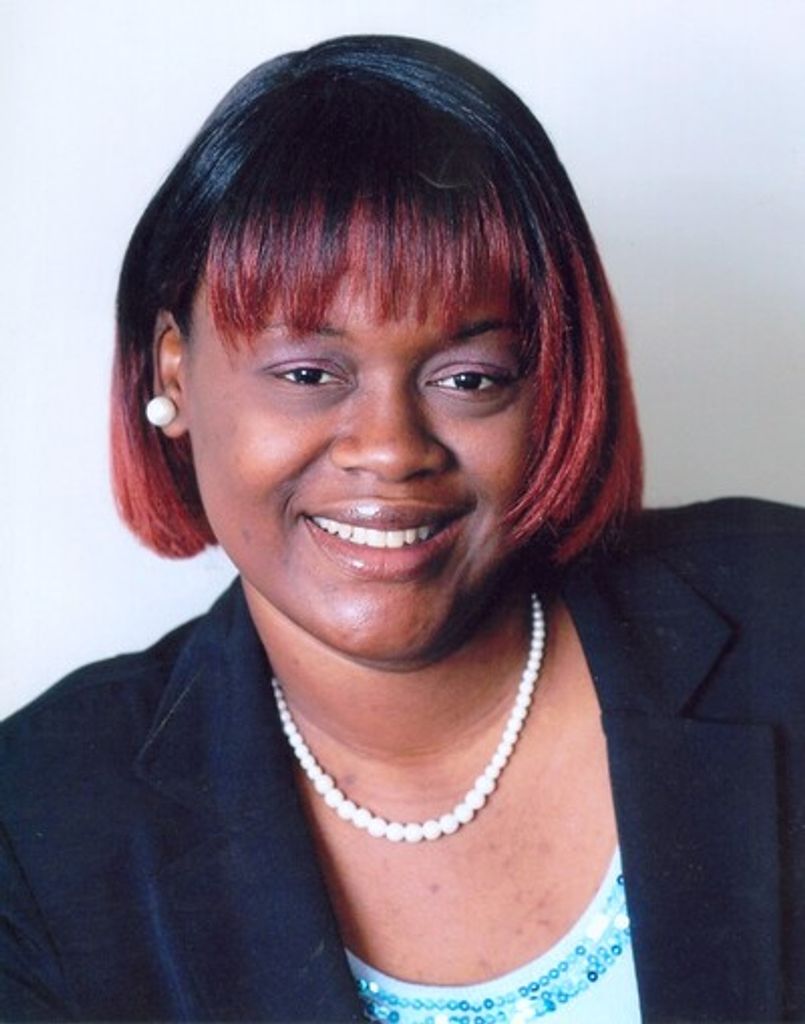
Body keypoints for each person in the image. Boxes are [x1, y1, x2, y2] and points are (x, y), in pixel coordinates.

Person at [1, 34, 803, 1024]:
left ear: (552, 384)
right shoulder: (36, 824)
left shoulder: (785, 616)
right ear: (174, 372)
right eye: (307, 373)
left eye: (469, 377)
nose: (388, 449)